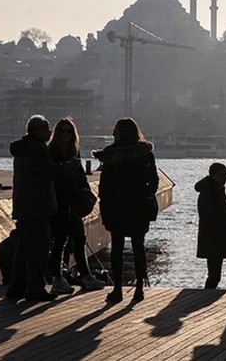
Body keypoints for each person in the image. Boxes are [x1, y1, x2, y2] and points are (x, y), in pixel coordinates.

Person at [93, 118, 159, 303]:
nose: (113, 133)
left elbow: (105, 186)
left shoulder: (110, 155)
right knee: (139, 247)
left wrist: (104, 205)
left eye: (115, 130)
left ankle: (118, 288)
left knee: (117, 249)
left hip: (116, 206)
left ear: (120, 132)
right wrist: (146, 195)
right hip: (138, 206)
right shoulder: (145, 153)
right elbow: (153, 180)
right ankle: (139, 287)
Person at [46, 117, 106, 294]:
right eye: (63, 131)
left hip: (73, 202)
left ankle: (85, 276)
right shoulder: (52, 152)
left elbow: (79, 175)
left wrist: (86, 192)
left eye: (69, 131)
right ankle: (57, 278)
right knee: (60, 241)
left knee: (80, 239)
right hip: (59, 204)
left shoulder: (74, 152)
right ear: (57, 134)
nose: (66, 134)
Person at [6, 115, 61, 302]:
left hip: (23, 206)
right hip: (37, 206)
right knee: (38, 249)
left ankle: (17, 287)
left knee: (22, 248)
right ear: (38, 130)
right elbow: (47, 171)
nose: (50, 131)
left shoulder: (22, 148)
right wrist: (68, 168)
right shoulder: (36, 149)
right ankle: (36, 288)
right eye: (47, 128)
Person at [195, 162, 226, 289]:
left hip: (216, 237)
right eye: (222, 175)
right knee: (214, 273)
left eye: (225, 175)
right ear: (213, 175)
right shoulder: (209, 192)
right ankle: (208, 293)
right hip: (214, 238)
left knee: (215, 273)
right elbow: (208, 216)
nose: (224, 178)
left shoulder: (216, 189)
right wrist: (222, 231)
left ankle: (208, 293)